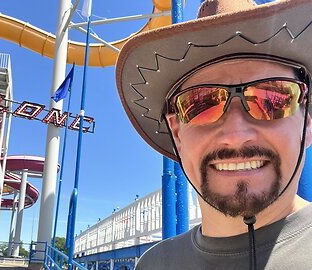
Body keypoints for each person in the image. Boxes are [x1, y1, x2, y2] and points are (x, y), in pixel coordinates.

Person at [116, 0, 312, 269]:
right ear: (177, 133)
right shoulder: (153, 265)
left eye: (272, 98)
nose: (235, 134)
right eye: (201, 104)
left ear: (307, 124)